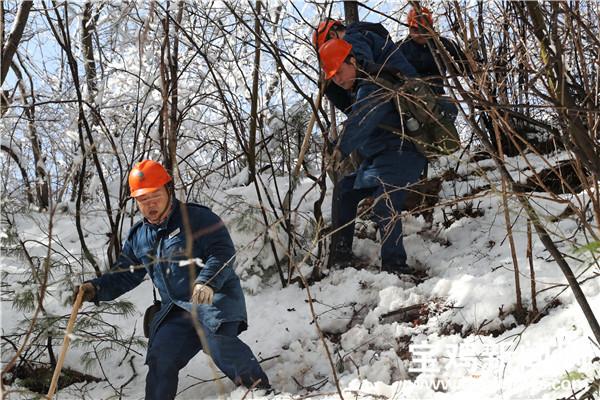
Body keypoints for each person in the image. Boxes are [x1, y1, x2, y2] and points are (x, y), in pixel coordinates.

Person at [77, 160, 270, 400]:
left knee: (218, 341)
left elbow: (223, 252)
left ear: (169, 190)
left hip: (214, 300)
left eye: (155, 195)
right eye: (142, 200)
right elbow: (125, 273)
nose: (150, 205)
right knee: (160, 356)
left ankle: (260, 391)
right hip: (176, 310)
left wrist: (207, 282)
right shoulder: (139, 236)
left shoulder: (197, 218)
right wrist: (96, 289)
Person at [317, 32, 427, 276]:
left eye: (340, 72)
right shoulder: (358, 88)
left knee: (383, 202)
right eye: (332, 77)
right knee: (345, 190)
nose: (337, 80)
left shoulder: (375, 85)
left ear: (352, 60)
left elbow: (361, 121)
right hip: (380, 161)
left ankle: (395, 266)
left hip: (403, 154)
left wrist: (338, 149)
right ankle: (340, 255)